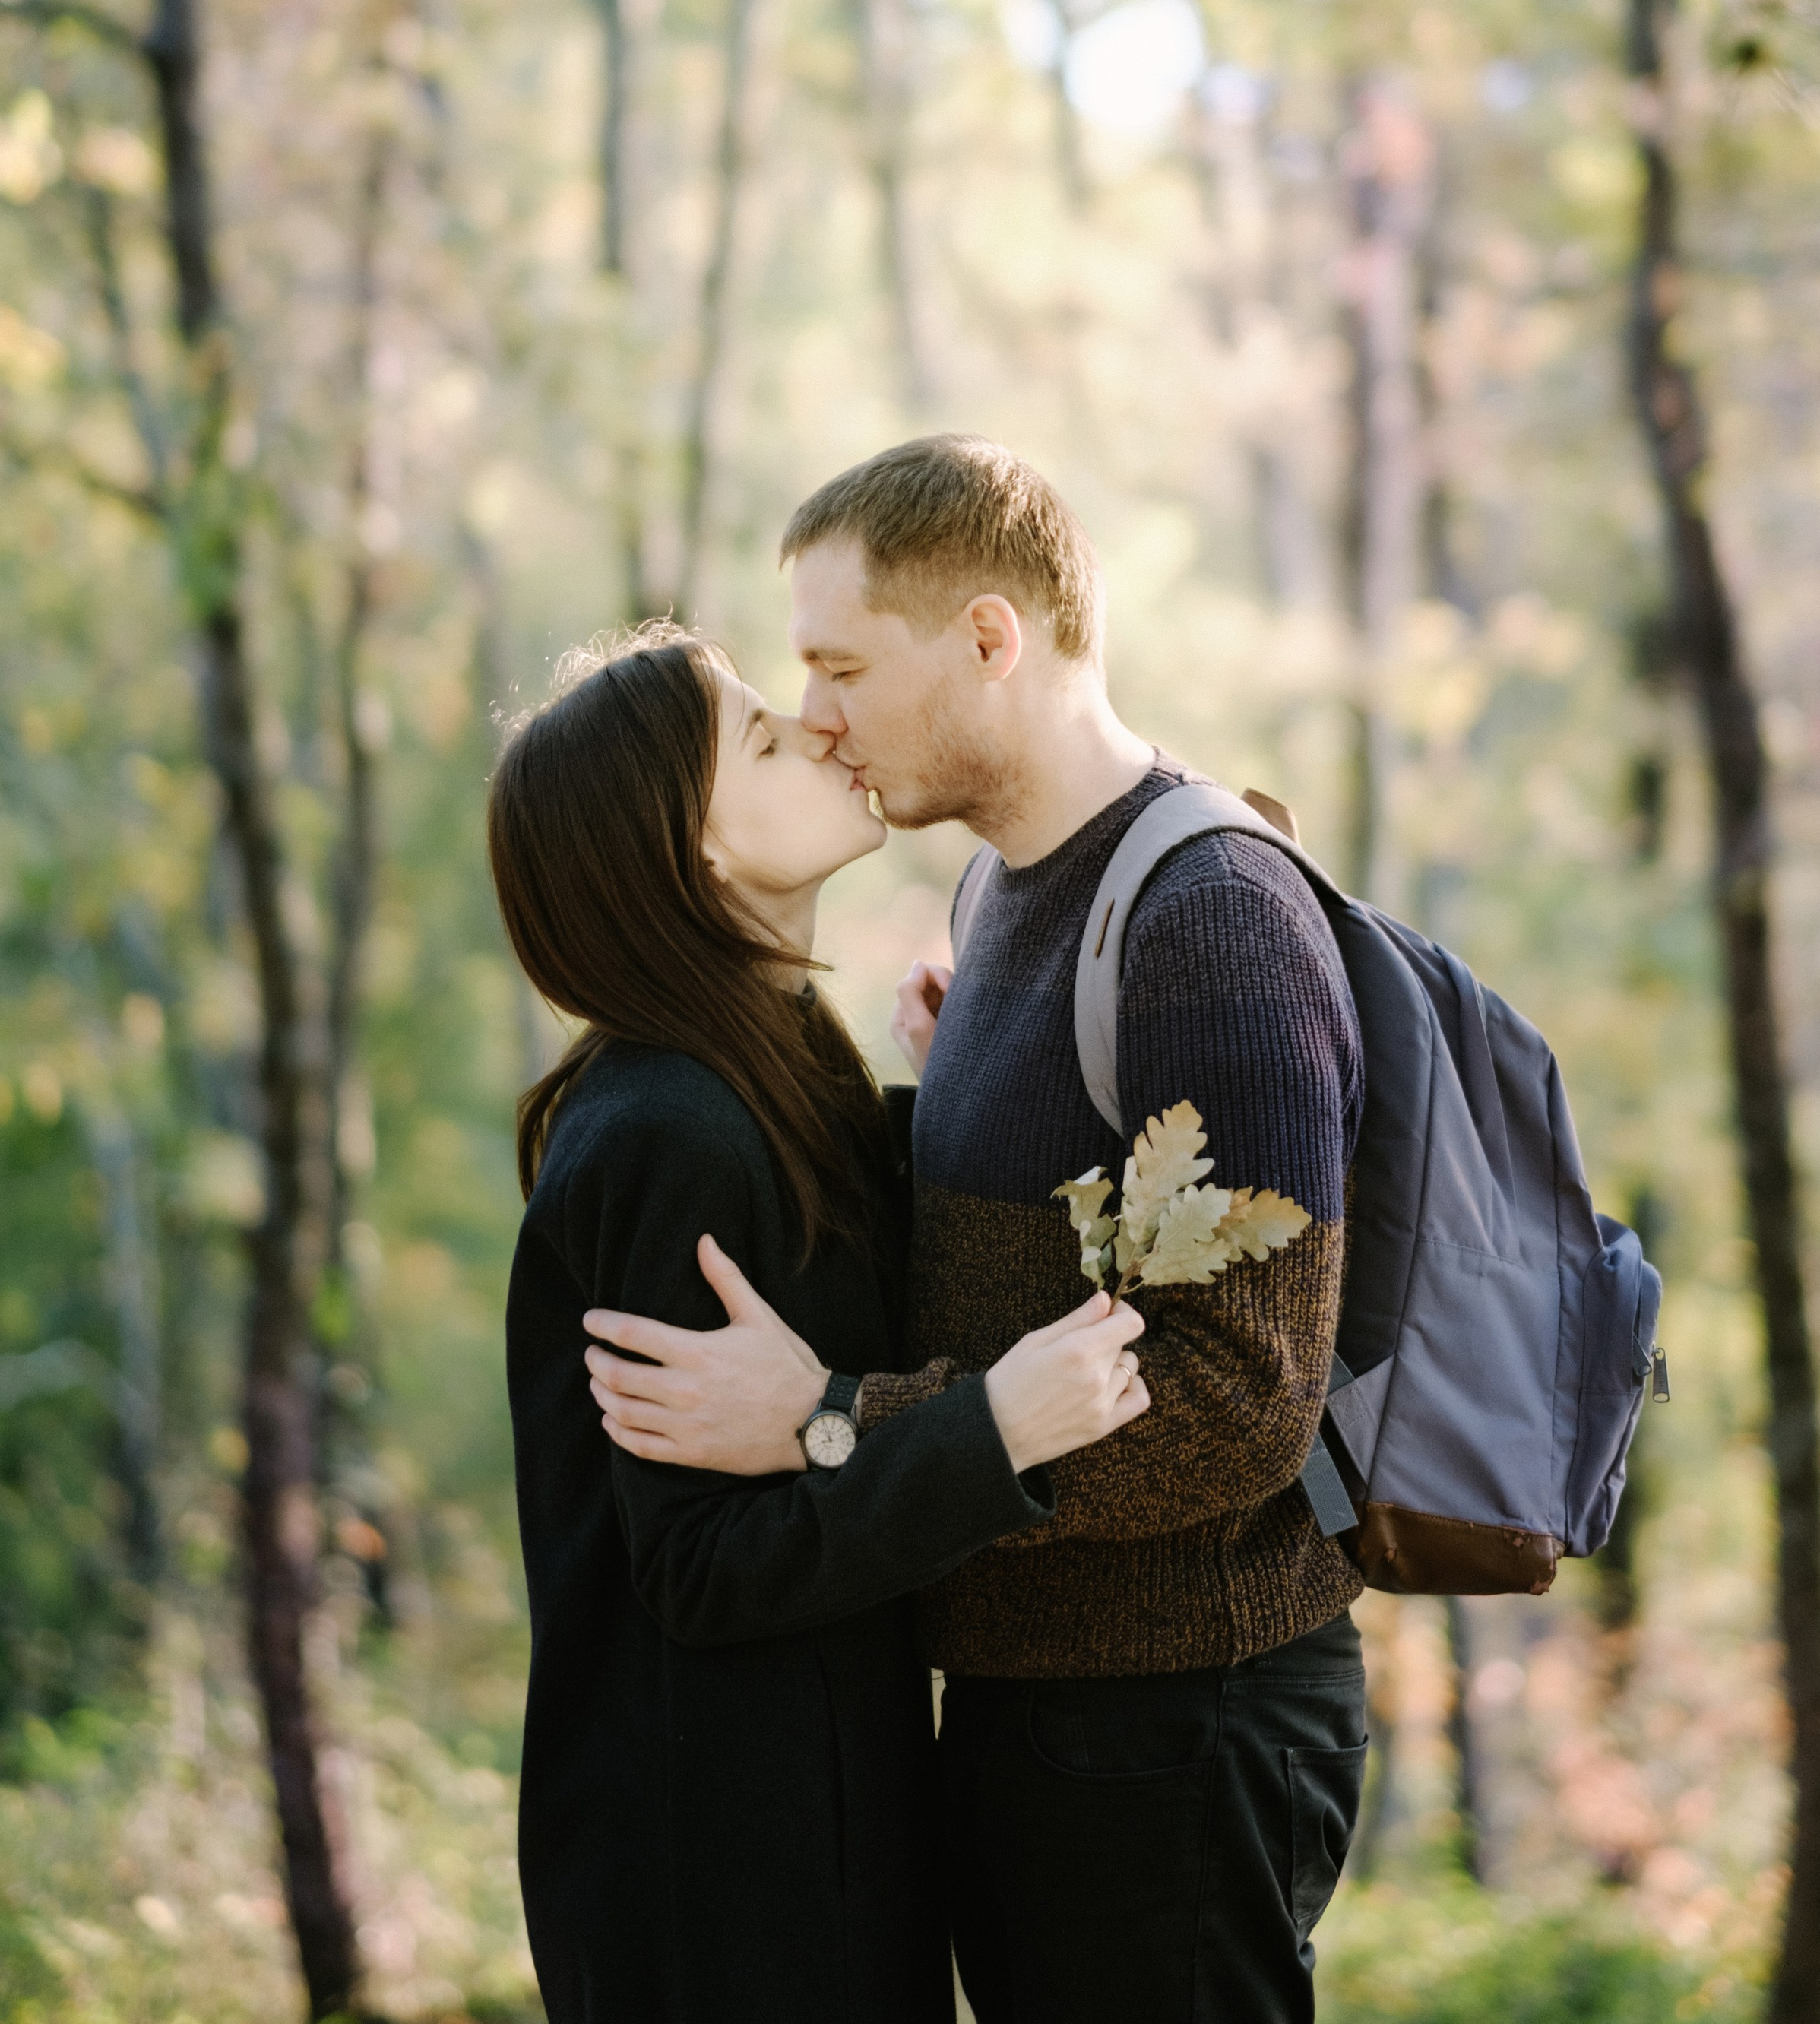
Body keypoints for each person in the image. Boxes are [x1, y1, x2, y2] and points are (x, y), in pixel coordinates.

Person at [587, 437, 1369, 2024]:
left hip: (1178, 1716)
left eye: (842, 666)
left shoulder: (1209, 917)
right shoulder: (1003, 900)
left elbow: (1239, 1399)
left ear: (990, 639)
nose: (819, 714)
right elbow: (1023, 1261)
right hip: (1037, 1706)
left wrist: (827, 1423)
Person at [492, 622, 1149, 2024]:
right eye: (762, 736)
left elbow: (846, 1316)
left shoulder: (776, 1070)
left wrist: (956, 1091)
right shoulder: (665, 1132)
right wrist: (990, 1433)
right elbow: (699, 1564)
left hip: (817, 1826)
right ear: (693, 849)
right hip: (721, 1887)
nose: (819, 727)